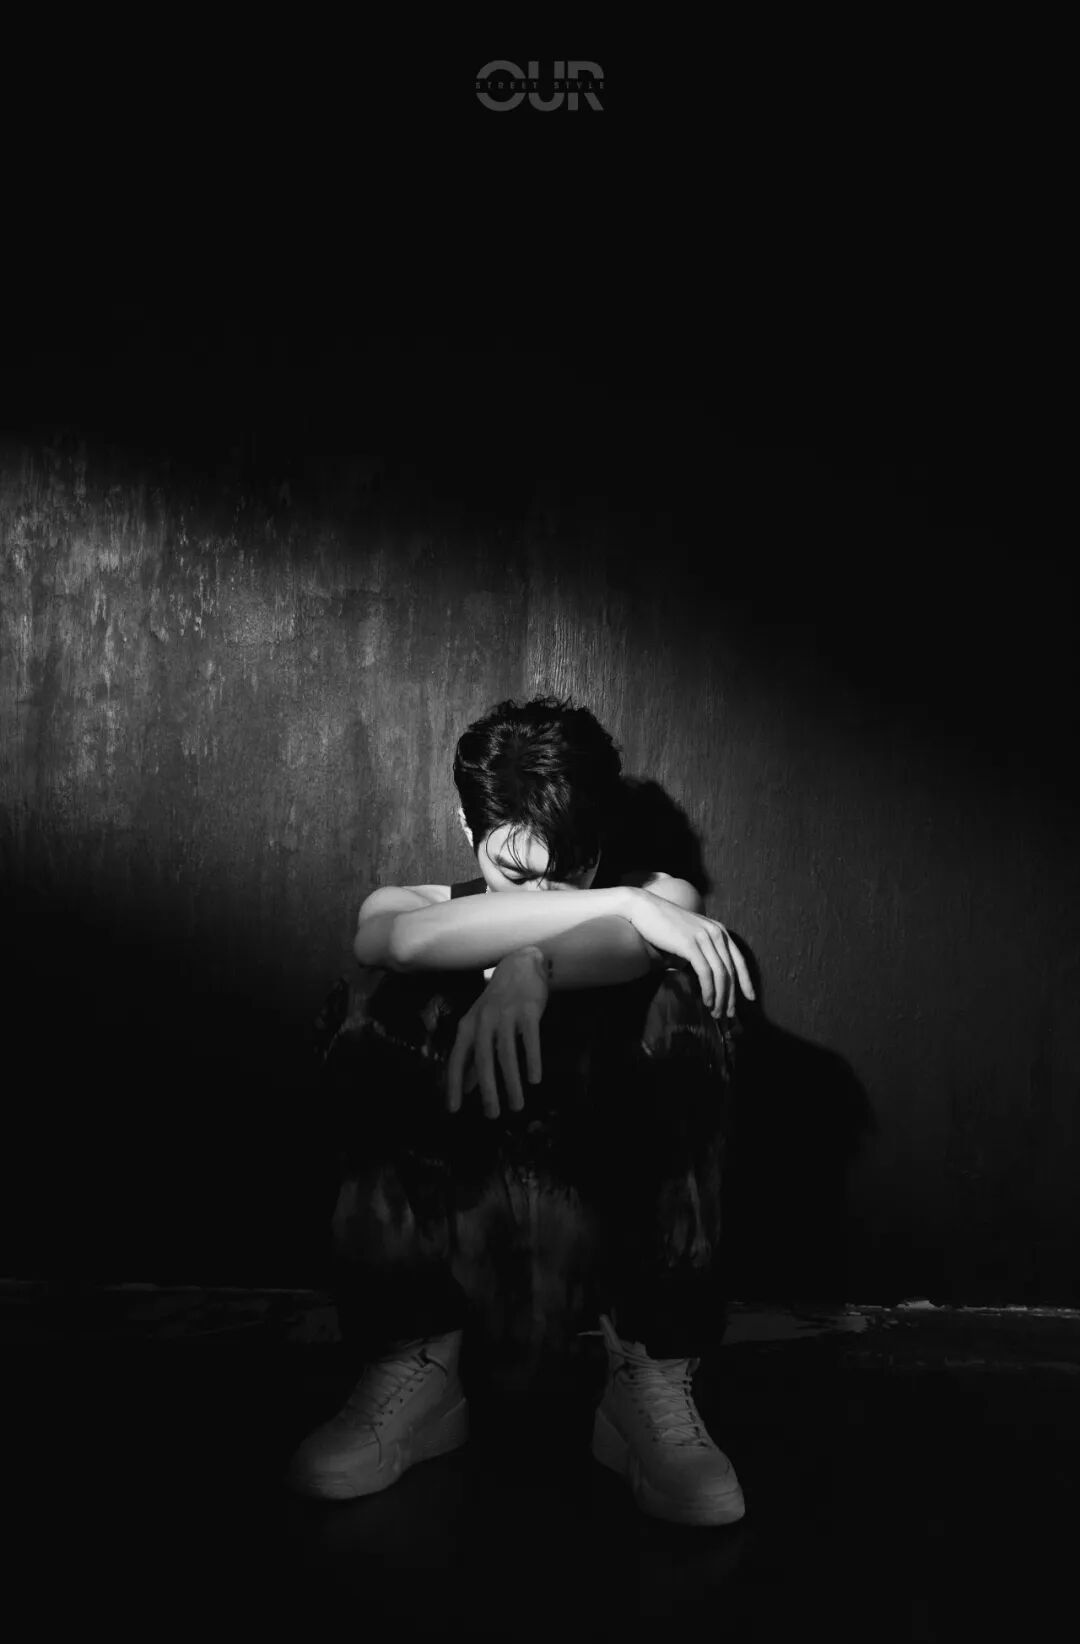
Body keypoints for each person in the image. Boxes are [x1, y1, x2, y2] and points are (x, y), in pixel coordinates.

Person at [286, 694, 755, 1526]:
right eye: (515, 873)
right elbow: (393, 940)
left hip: (606, 1236)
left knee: (684, 998)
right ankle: (414, 1365)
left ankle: (647, 1377)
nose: (544, 888)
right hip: (466, 1228)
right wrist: (613, 907)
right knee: (373, 1004)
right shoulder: (418, 900)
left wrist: (530, 965)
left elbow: (655, 925)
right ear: (466, 829)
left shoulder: (658, 894)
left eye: (570, 869)